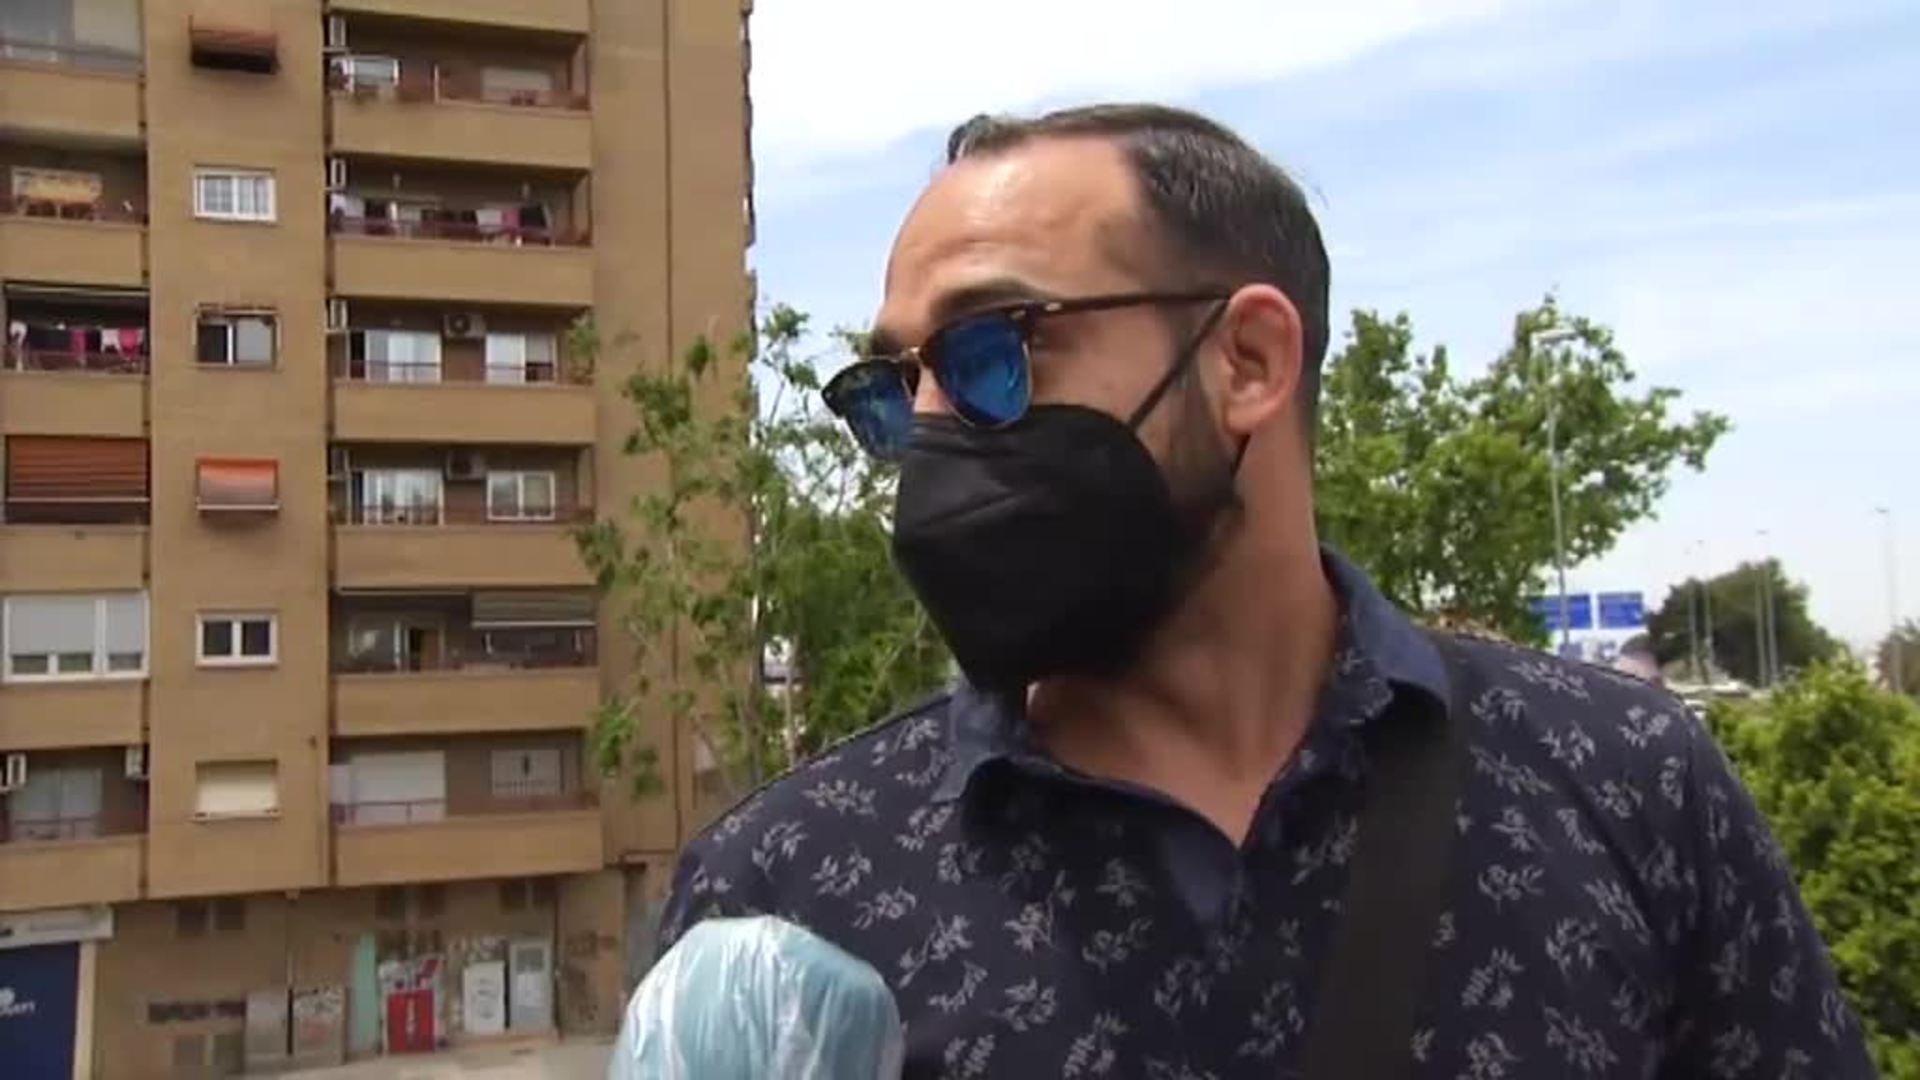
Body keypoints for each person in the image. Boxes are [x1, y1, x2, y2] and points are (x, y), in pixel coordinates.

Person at [656, 104, 1875, 1078]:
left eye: (993, 350)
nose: (930, 432)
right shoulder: (788, 892)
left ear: (1247, 361)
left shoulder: (1622, 786)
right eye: (895, 387)